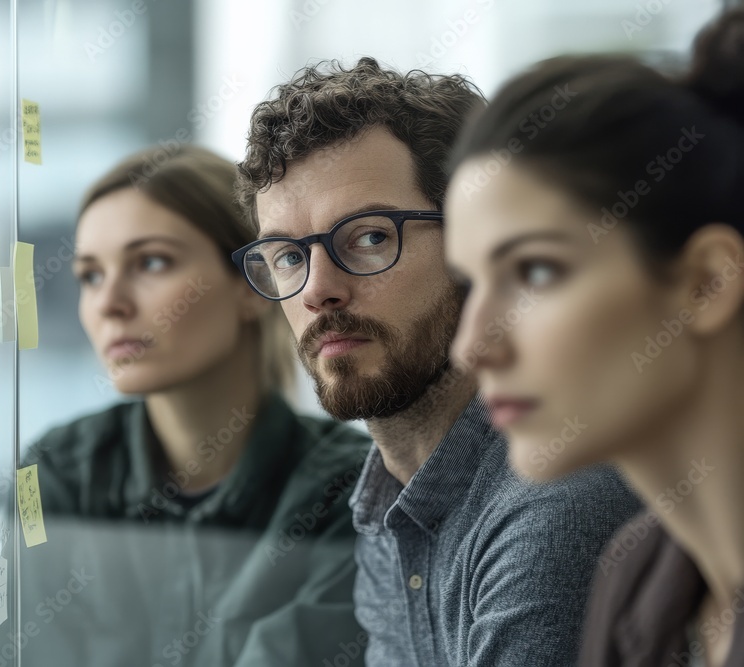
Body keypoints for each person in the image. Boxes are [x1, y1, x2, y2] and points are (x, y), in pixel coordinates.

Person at [232, 57, 642, 666]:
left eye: (369, 237)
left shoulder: (552, 500)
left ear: (472, 246)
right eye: (289, 256)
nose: (319, 289)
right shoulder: (386, 497)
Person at [0, 144, 372, 667]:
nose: (110, 303)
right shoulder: (57, 471)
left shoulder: (348, 490)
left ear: (255, 284)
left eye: (151, 262)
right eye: (90, 275)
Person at [444, 8, 744, 667]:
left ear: (705, 283)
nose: (472, 346)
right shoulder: (635, 579)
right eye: (470, 283)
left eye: (537, 271)